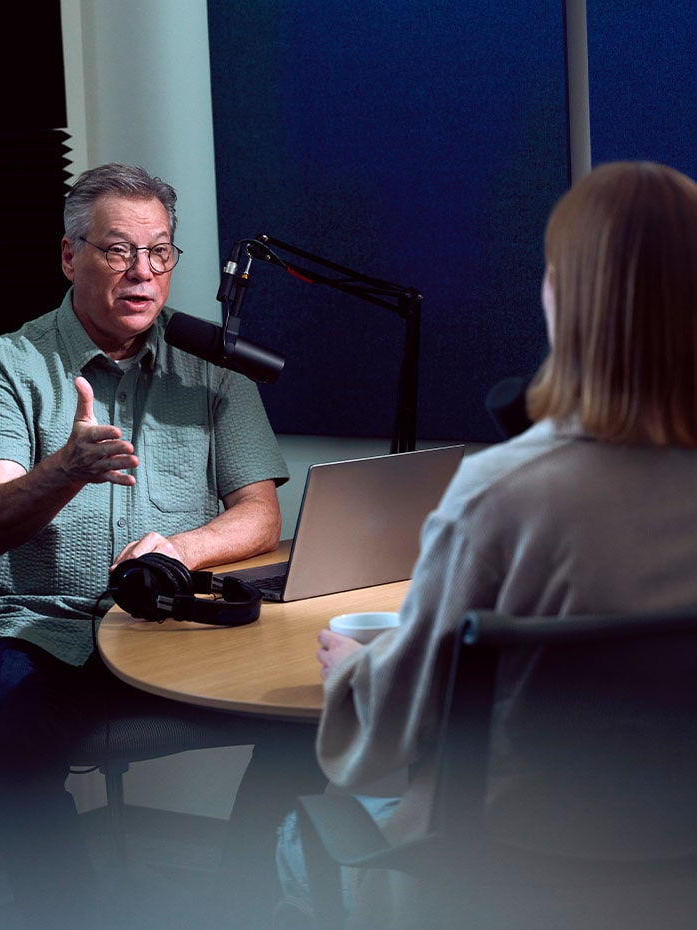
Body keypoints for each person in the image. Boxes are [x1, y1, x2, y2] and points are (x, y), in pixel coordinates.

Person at [275, 161, 697, 929]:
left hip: (504, 883)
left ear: (564, 299)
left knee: (291, 841)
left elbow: (386, 740)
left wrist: (355, 675)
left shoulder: (499, 495)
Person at [0, 163, 323, 929]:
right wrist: (65, 469)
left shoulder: (215, 367)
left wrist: (184, 549)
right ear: (70, 256)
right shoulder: (4, 366)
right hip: (47, 628)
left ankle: (242, 893)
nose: (143, 272)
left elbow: (259, 515)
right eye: (119, 250)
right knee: (5, 741)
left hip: (179, 625)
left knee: (324, 715)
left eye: (160, 252)